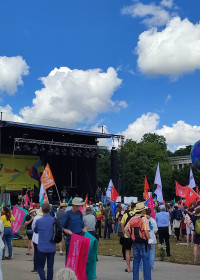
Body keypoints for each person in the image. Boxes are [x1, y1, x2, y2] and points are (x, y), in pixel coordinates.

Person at [125, 202, 152, 280]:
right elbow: (146, 231)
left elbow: (126, 229)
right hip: (143, 242)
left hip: (135, 242)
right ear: (142, 210)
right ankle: (147, 278)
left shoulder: (132, 219)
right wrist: (150, 241)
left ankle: (135, 278)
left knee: (136, 261)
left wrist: (131, 236)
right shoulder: (144, 219)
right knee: (146, 261)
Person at [34, 203, 56, 280]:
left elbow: (35, 230)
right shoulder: (54, 220)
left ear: (42, 210)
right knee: (50, 267)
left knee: (39, 266)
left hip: (41, 247)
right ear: (50, 210)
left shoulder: (39, 221)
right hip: (52, 247)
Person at [121, 202, 136, 272]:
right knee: (136, 252)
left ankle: (128, 267)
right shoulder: (138, 214)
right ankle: (136, 267)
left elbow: (122, 224)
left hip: (127, 236)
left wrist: (124, 232)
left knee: (127, 252)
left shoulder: (126, 215)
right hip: (136, 236)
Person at [31, 207, 43, 273]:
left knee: (36, 253)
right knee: (41, 254)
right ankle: (40, 267)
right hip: (43, 238)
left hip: (36, 237)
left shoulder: (36, 218)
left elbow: (33, 227)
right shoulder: (45, 218)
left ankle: (35, 267)